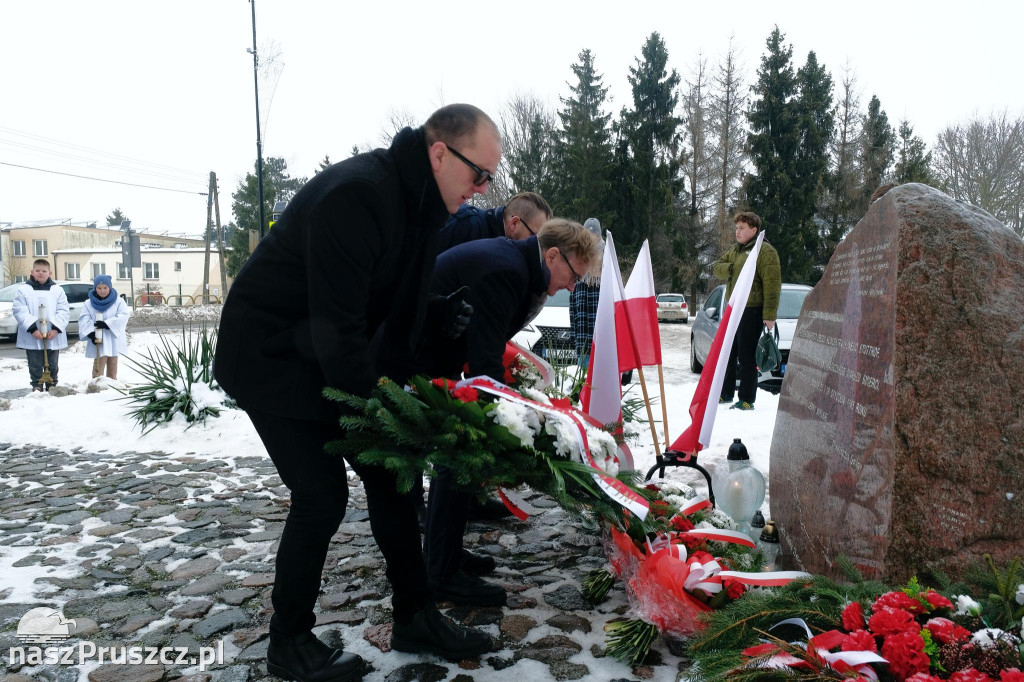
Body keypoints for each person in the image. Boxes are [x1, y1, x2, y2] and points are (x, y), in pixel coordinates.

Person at [214, 103, 501, 681]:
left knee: (393, 478)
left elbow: (389, 304)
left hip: (321, 351)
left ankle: (415, 614)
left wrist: (440, 313)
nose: (482, 189)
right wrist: (387, 409)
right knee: (321, 495)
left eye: (489, 179)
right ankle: (288, 640)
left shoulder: (422, 204)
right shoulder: (360, 194)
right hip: (269, 355)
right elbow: (338, 328)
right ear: (440, 152)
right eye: (479, 175)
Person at [416, 219, 599, 607]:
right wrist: (509, 415)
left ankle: (443, 555)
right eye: (573, 276)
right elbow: (485, 363)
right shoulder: (508, 270)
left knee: (459, 455)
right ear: (552, 255)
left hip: (437, 354)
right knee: (462, 454)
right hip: (416, 356)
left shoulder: (516, 264)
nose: (571, 286)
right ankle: (442, 573)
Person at [712, 211, 781, 411]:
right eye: (736, 228)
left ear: (754, 229)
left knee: (747, 355)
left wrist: (769, 316)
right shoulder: (736, 250)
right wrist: (733, 268)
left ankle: (746, 399)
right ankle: (725, 393)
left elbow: (772, 285)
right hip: (733, 309)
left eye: (742, 228)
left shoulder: (765, 251)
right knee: (727, 353)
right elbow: (717, 267)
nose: (737, 232)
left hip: (752, 309)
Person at [13, 259, 69, 391]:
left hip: (52, 335)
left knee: (52, 363)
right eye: (37, 271)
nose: (41, 273)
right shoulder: (24, 290)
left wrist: (55, 329)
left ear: (50, 273)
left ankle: (52, 385)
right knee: (35, 363)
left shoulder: (57, 290)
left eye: (44, 271)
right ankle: (36, 386)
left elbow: (64, 310)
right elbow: (19, 310)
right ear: (32, 272)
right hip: (33, 335)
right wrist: (33, 329)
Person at [437, 191, 552, 253]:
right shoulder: (464, 223)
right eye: (535, 237)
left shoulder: (509, 252)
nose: (538, 246)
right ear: (514, 223)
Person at [78, 274, 131, 380]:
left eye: (105, 288)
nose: (102, 291)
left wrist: (108, 324)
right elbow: (84, 318)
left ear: (110, 287)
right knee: (99, 363)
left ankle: (112, 382)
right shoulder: (88, 303)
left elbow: (124, 315)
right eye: (99, 288)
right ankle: (97, 383)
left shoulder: (118, 301)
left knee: (112, 361)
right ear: (95, 288)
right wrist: (91, 333)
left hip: (112, 337)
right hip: (98, 338)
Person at [569, 217, 604, 367]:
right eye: (587, 235)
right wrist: (573, 331)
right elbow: (572, 301)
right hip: (582, 333)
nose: (591, 239)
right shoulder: (577, 258)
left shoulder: (607, 257)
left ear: (599, 235)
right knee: (584, 381)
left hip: (601, 336)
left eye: (593, 235)